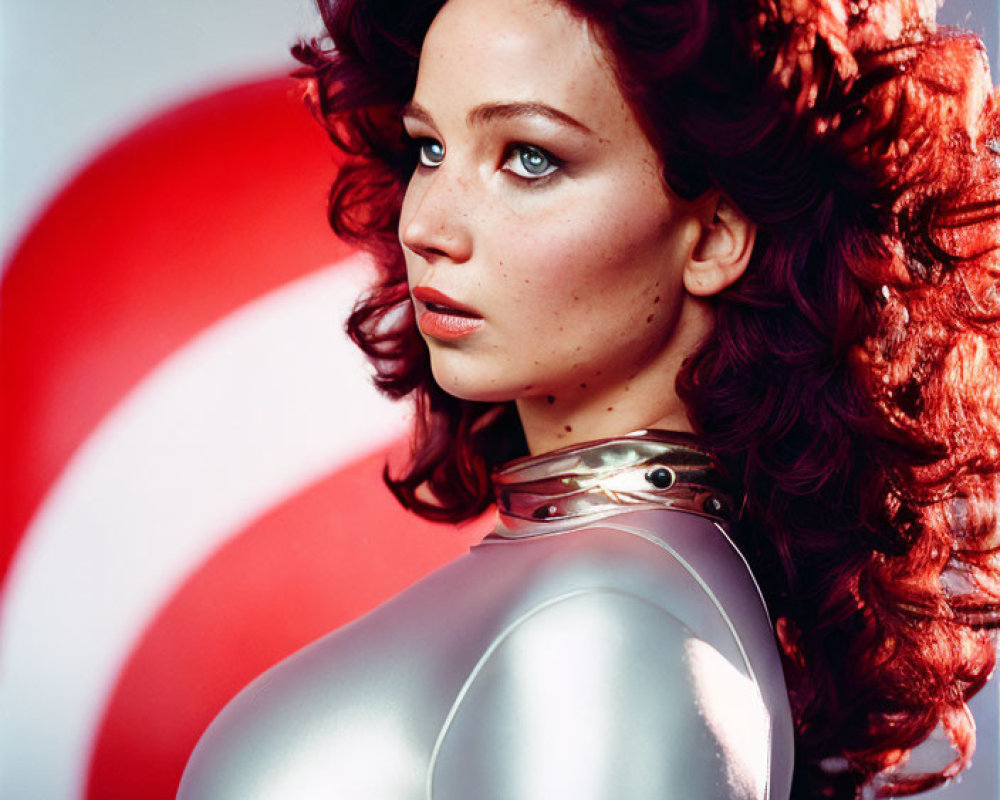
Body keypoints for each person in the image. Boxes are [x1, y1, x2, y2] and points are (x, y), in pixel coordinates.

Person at [178, 0, 1000, 797]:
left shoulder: (610, 626)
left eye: (530, 158)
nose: (427, 224)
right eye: (428, 148)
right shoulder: (619, 590)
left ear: (714, 234)